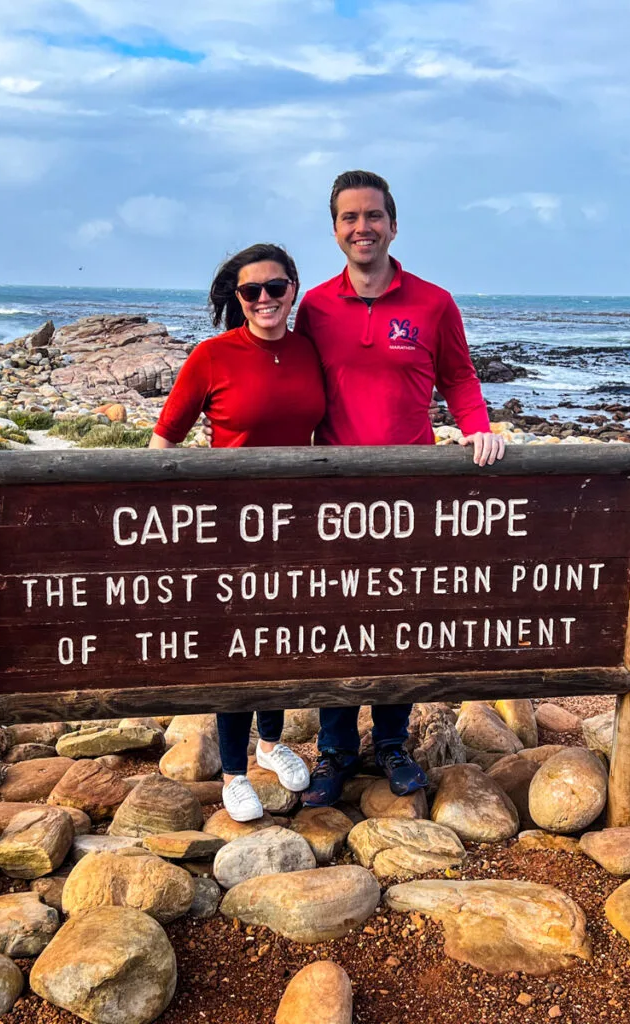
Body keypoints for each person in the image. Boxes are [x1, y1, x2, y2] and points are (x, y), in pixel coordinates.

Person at [295, 169, 505, 808]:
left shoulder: (433, 302)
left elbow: (460, 378)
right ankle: (333, 751)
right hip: (333, 492)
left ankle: (390, 742)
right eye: (349, 218)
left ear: (393, 223)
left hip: (411, 491)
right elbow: (291, 384)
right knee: (334, 620)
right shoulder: (315, 307)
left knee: (398, 617)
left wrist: (477, 429)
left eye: (373, 216)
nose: (362, 228)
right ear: (335, 231)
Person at [149, 243, 322, 821]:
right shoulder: (213, 355)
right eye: (253, 291)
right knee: (237, 649)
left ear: (293, 288)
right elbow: (165, 437)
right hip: (230, 527)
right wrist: (172, 515)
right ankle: (231, 770)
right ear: (239, 298)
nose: (266, 299)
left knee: (280, 639)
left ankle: (270, 745)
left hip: (297, 524)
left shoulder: (308, 352)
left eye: (276, 287)